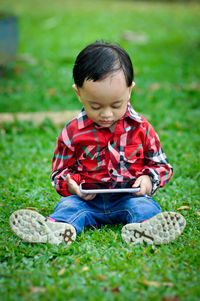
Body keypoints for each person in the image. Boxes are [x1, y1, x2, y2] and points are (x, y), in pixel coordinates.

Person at [10, 41, 186, 246]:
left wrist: (148, 180)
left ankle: (144, 229)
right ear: (79, 93)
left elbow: (162, 166)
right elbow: (59, 172)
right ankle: (56, 229)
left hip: (129, 198)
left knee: (145, 207)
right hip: (87, 201)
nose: (106, 114)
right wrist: (72, 186)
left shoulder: (142, 129)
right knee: (68, 206)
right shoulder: (72, 133)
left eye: (116, 105)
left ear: (130, 90)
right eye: (95, 106)